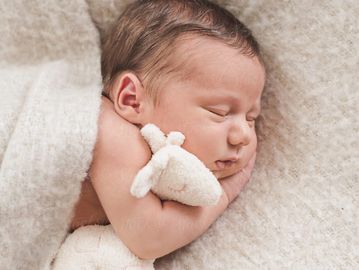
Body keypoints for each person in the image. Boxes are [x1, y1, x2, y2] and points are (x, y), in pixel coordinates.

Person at [70, 0, 265, 261]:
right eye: (219, 112)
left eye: (252, 118)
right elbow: (149, 238)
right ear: (132, 100)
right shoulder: (110, 131)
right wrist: (224, 195)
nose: (243, 135)